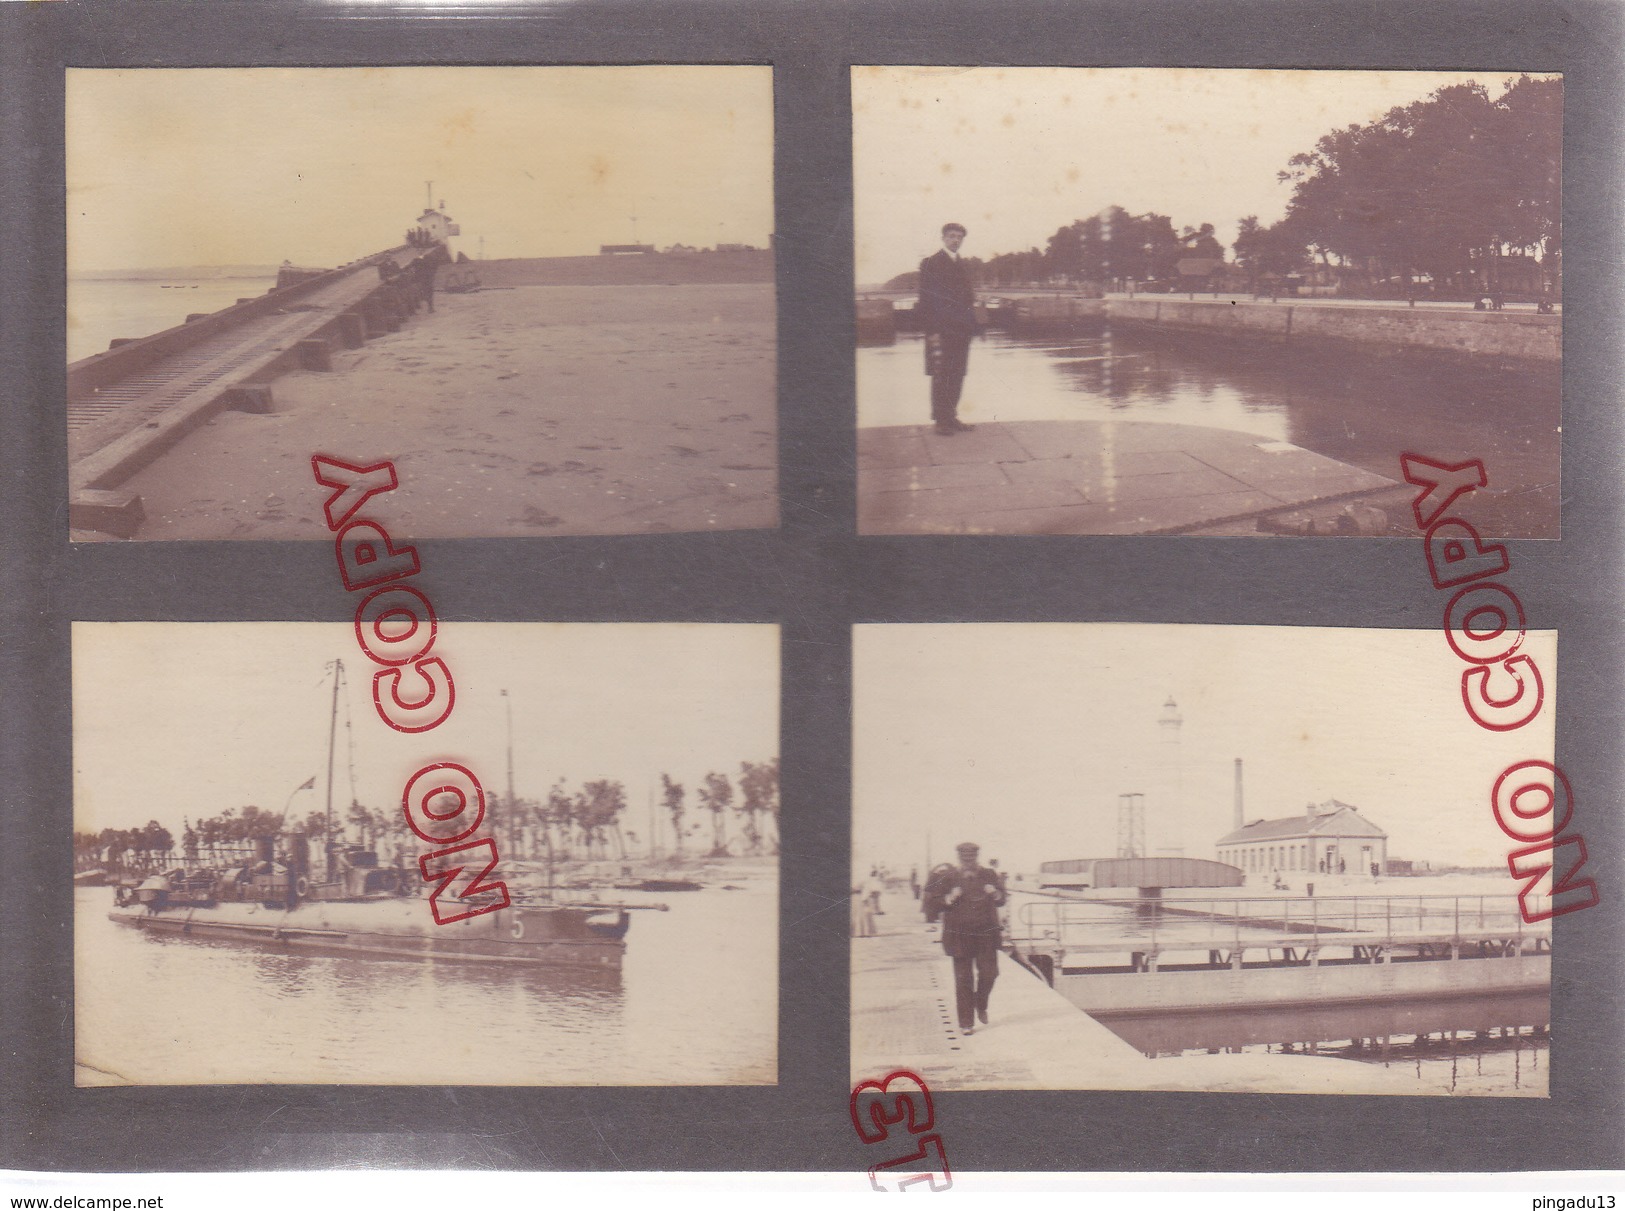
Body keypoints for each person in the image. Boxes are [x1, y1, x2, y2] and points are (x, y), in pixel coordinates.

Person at [923, 841, 1006, 1035]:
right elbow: (932, 903)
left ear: (977, 857)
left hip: (986, 933)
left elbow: (1002, 899)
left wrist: (995, 893)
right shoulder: (948, 877)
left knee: (990, 974)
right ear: (959, 858)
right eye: (964, 858)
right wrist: (949, 898)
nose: (968, 861)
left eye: (972, 857)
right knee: (963, 979)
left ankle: (980, 1002)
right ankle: (966, 1023)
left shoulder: (989, 874)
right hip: (959, 935)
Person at [917, 223, 978, 436]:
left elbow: (969, 298)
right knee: (941, 374)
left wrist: (974, 327)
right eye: (951, 236)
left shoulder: (962, 264)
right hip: (942, 330)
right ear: (943, 238)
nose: (956, 240)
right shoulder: (930, 263)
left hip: (962, 330)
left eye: (959, 236)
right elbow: (926, 299)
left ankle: (951, 416)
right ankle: (940, 420)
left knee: (958, 373)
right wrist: (932, 329)